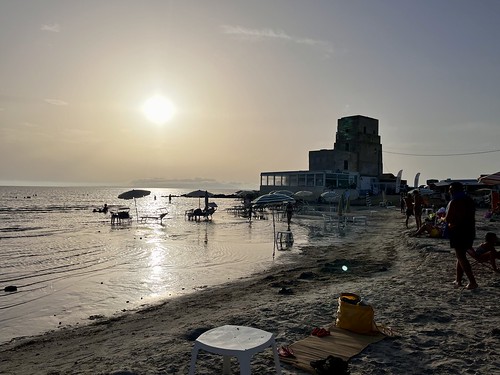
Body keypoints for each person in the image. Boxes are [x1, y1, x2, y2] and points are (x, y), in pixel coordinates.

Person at [445, 182, 478, 290]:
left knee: (461, 256)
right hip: (469, 231)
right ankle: (458, 280)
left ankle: (472, 282)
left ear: (454, 190)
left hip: (458, 231)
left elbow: (449, 219)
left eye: (450, 189)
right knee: (461, 255)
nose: (449, 191)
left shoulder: (455, 201)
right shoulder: (469, 200)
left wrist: (443, 219)